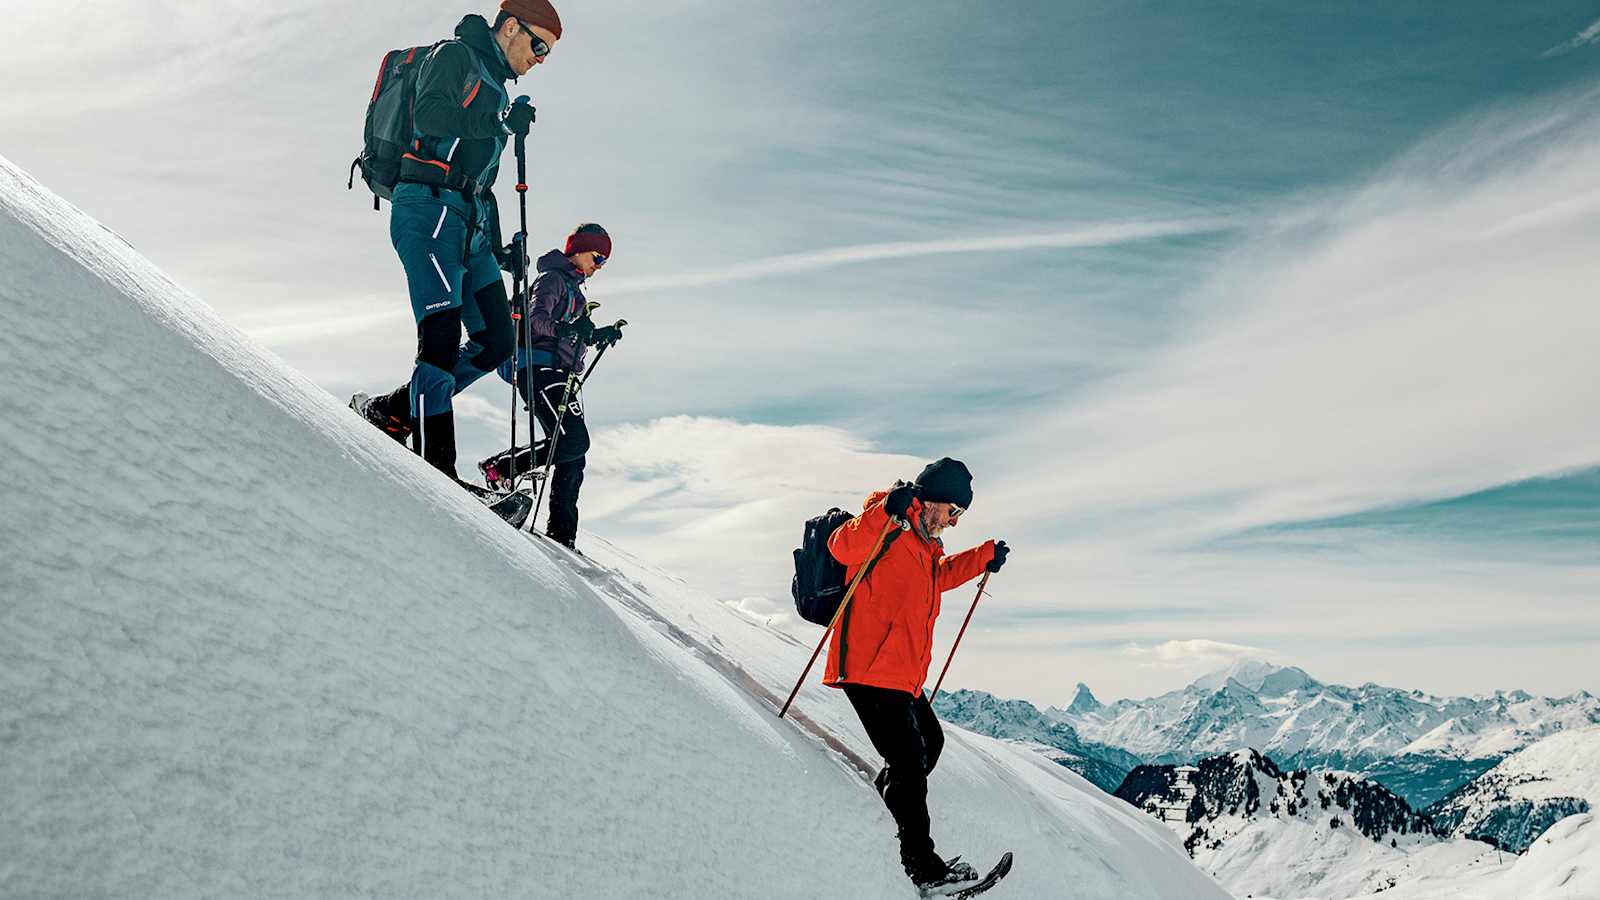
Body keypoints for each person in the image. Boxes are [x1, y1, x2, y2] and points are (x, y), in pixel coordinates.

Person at [351, 0, 562, 483]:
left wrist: (503, 251)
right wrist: (499, 123)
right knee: (441, 341)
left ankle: (392, 413)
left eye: (547, 54)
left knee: (497, 341)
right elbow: (429, 117)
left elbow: (480, 181)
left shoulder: (494, 87)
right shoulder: (456, 56)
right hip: (426, 210)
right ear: (511, 27)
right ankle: (435, 476)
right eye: (538, 46)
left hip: (469, 226)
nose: (539, 60)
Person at [824, 457, 1010, 896]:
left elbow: (938, 579)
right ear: (933, 502)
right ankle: (923, 870)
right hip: (868, 667)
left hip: (901, 672)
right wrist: (887, 507)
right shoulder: (886, 522)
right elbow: (840, 547)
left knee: (931, 745)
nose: (954, 521)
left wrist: (982, 557)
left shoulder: (927, 546)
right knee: (909, 762)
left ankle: (893, 797)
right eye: (953, 512)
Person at [480, 223, 621, 548]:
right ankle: (499, 468)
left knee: (575, 455)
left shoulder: (576, 290)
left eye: (604, 262)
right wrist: (568, 329)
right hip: (540, 369)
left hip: (562, 373)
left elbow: (570, 332)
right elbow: (535, 318)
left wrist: (595, 335)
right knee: (573, 442)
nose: (599, 267)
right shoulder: (553, 279)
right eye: (597, 258)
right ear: (578, 249)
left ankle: (563, 536)